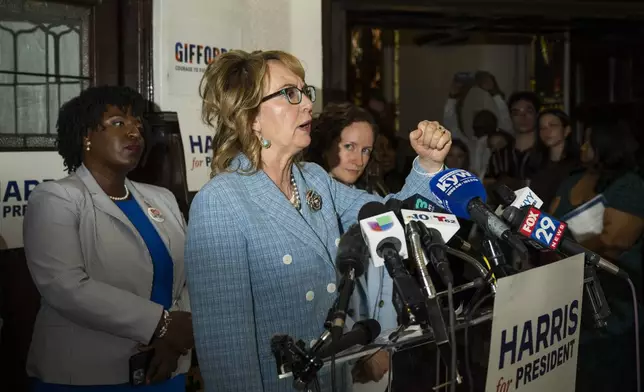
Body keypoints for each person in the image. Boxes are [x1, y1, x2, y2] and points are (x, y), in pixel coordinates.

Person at [185, 49, 452, 392]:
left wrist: (428, 166)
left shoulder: (313, 179)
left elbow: (389, 216)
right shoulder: (221, 201)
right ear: (251, 115)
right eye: (289, 94)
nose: (308, 104)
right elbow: (226, 352)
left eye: (305, 92)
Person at [23, 86, 194, 391]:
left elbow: (191, 275)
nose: (134, 133)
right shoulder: (56, 197)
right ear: (86, 135)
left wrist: (176, 337)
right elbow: (66, 287)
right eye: (119, 123)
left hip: (164, 365)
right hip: (86, 375)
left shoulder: (163, 198)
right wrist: (162, 325)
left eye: (138, 125)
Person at [549, 117, 643, 392]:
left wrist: (566, 245)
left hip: (614, 304)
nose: (583, 145)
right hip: (567, 302)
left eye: (590, 140)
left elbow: (615, 241)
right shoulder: (571, 181)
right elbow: (549, 224)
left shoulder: (629, 185)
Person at [528, 108, 579, 208]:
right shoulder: (536, 162)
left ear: (566, 130)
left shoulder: (578, 165)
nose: (547, 131)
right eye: (542, 128)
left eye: (553, 125)